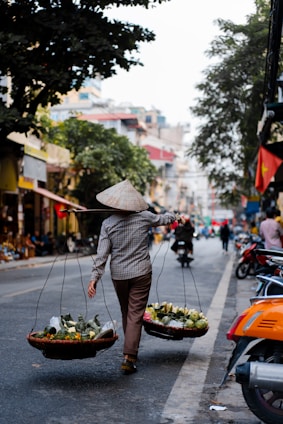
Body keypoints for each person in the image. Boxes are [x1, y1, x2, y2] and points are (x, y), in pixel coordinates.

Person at [87, 180, 182, 374]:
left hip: (119, 275)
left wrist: (94, 278)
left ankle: (129, 352)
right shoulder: (144, 217)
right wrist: (176, 217)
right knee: (135, 313)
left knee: (127, 312)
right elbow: (163, 219)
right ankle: (129, 356)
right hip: (141, 273)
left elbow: (102, 254)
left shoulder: (107, 224)